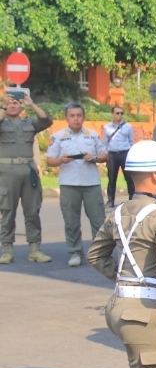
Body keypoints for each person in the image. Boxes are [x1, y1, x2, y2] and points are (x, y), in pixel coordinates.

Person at [56, 141, 156, 368]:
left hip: (117, 308)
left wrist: (123, 279)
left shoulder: (117, 212)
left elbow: (95, 255)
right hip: (142, 316)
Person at [46, 104, 108, 267]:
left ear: (83, 117)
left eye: (79, 115)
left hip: (91, 183)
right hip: (69, 184)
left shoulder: (92, 135)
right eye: (72, 115)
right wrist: (61, 160)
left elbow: (105, 155)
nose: (76, 118)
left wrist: (94, 157)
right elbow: (49, 160)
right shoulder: (58, 136)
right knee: (71, 221)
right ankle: (75, 252)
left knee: (98, 221)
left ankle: (99, 255)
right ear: (67, 118)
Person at [0, 92, 52, 264]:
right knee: (7, 211)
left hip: (28, 170)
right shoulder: (2, 122)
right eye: (10, 103)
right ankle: (7, 250)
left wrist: (31, 104)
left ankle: (35, 250)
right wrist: (2, 105)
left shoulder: (28, 122)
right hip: (8, 171)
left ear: (21, 106)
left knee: (32, 211)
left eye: (16, 103)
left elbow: (46, 121)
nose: (13, 105)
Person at [102, 106, 135, 208]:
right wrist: (106, 155)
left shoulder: (127, 127)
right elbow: (105, 143)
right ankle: (110, 201)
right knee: (111, 179)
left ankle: (132, 200)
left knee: (129, 178)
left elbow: (131, 141)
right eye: (117, 113)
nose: (119, 115)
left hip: (124, 154)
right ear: (113, 114)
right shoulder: (107, 127)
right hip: (112, 154)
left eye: (121, 113)